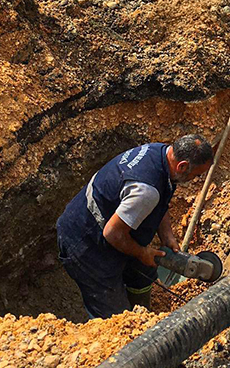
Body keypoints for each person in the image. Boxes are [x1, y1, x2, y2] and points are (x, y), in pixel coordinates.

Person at [56, 135, 213, 319]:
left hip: (111, 224)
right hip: (85, 241)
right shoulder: (145, 190)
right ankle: (124, 329)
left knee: (143, 271)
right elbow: (113, 233)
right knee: (117, 320)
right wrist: (141, 252)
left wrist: (167, 235)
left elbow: (160, 198)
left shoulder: (161, 154)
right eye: (196, 175)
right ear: (183, 166)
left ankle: (143, 313)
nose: (195, 180)